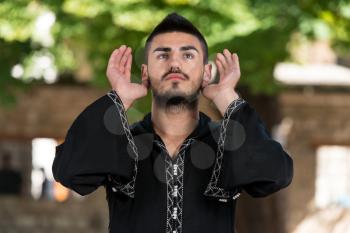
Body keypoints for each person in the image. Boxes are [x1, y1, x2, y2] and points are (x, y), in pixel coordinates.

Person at [52, 12, 293, 233]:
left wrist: (227, 98)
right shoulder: (123, 142)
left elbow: (274, 175)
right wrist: (119, 98)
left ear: (206, 73)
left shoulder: (228, 144)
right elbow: (69, 172)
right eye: (163, 55)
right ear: (145, 73)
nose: (174, 64)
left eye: (188, 55)